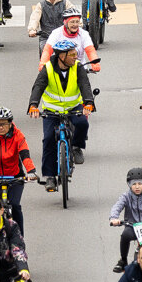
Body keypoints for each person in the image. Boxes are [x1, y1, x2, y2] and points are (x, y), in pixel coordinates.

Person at [28, 36, 93, 188]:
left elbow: (85, 85)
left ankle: (76, 147)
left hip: (73, 107)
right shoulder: (48, 69)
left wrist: (88, 103)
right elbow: (38, 87)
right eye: (72, 54)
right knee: (49, 139)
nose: (75, 57)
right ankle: (50, 176)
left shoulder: (77, 67)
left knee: (82, 123)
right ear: (61, 56)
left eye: (75, 53)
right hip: (52, 110)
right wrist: (33, 105)